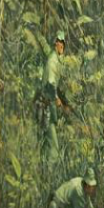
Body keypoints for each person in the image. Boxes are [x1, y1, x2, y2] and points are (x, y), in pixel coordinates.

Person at [39, 31, 67, 161]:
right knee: (54, 148)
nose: (61, 46)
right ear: (55, 44)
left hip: (49, 105)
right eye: (59, 43)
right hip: (47, 105)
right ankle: (49, 174)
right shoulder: (52, 61)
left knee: (46, 144)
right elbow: (50, 83)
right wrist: (56, 99)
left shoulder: (57, 60)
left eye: (63, 44)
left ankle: (45, 174)